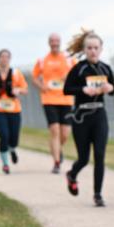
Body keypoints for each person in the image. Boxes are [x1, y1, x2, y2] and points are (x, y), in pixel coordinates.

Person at [62, 28, 114, 207]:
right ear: (85, 50)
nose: (93, 51)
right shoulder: (79, 69)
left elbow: (113, 89)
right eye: (90, 48)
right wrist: (82, 90)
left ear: (101, 49)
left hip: (99, 114)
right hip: (81, 117)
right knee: (84, 158)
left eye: (96, 48)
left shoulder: (105, 68)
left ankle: (98, 194)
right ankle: (72, 174)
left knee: (99, 155)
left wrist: (110, 88)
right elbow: (66, 89)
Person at [32, 33, 76, 173]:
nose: (54, 43)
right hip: (49, 99)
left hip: (66, 99)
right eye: (52, 41)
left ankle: (57, 149)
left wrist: (69, 77)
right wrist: (41, 86)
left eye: (57, 40)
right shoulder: (42, 60)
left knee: (65, 134)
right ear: (48, 43)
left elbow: (78, 73)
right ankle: (57, 163)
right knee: (55, 131)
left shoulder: (69, 60)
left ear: (60, 42)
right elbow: (34, 77)